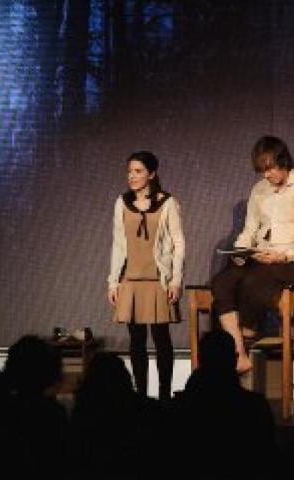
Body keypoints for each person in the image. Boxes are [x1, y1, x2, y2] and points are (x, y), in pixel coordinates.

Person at [210, 136, 294, 372]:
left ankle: (249, 332)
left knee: (254, 281)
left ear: (284, 161)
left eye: (270, 169)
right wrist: (241, 250)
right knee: (222, 281)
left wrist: (282, 255)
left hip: (293, 262)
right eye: (262, 171)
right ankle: (239, 353)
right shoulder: (259, 190)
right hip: (261, 258)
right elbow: (250, 229)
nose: (266, 175)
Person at [107, 151, 185, 400]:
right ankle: (140, 396)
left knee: (162, 339)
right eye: (130, 171)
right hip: (131, 280)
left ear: (151, 174)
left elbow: (178, 242)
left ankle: (163, 397)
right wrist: (113, 281)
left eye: (138, 171)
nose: (132, 176)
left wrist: (175, 279)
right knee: (136, 341)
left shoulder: (167, 203)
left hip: (157, 281)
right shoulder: (122, 202)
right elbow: (119, 244)